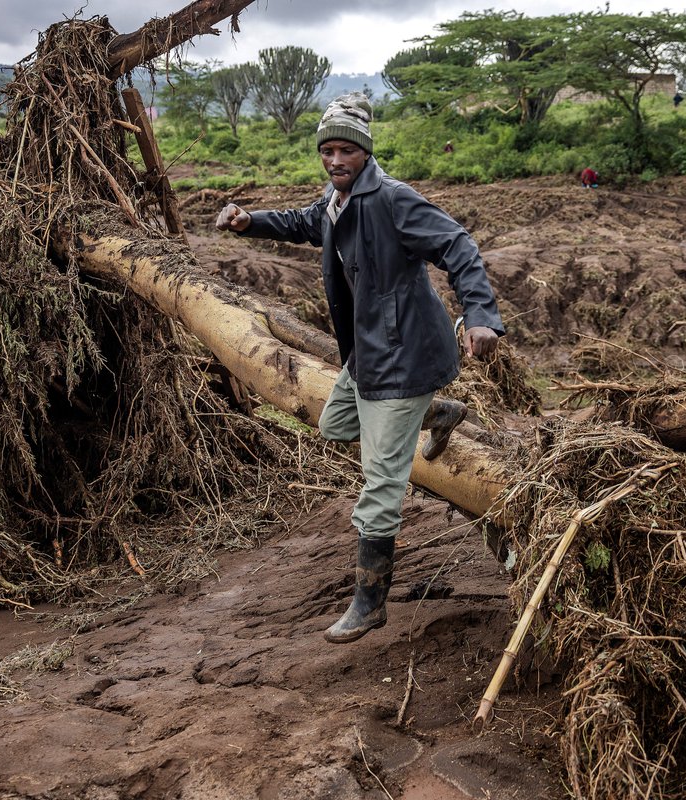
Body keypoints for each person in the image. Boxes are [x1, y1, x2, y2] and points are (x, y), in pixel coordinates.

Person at [215, 92, 505, 644]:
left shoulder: (393, 199)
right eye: (327, 151)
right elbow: (304, 222)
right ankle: (439, 410)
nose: (335, 161)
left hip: (404, 356)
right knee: (334, 426)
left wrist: (481, 315)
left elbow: (458, 245)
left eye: (346, 150)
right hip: (368, 353)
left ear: (365, 152)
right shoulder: (335, 199)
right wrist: (251, 222)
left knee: (380, 486)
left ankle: (370, 602)